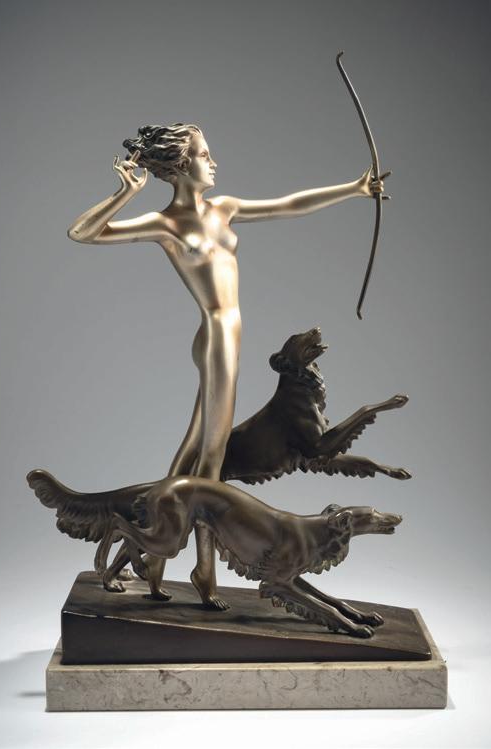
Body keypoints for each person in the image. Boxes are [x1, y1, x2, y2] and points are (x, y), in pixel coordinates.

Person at [68, 123, 387, 609]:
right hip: (217, 339)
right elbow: (82, 232)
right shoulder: (164, 224)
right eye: (204, 154)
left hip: (230, 338)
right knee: (211, 466)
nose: (213, 162)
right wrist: (125, 193)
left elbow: (289, 204)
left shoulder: (224, 208)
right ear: (181, 166)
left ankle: (149, 556)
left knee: (188, 458)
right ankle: (202, 573)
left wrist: (355, 189)